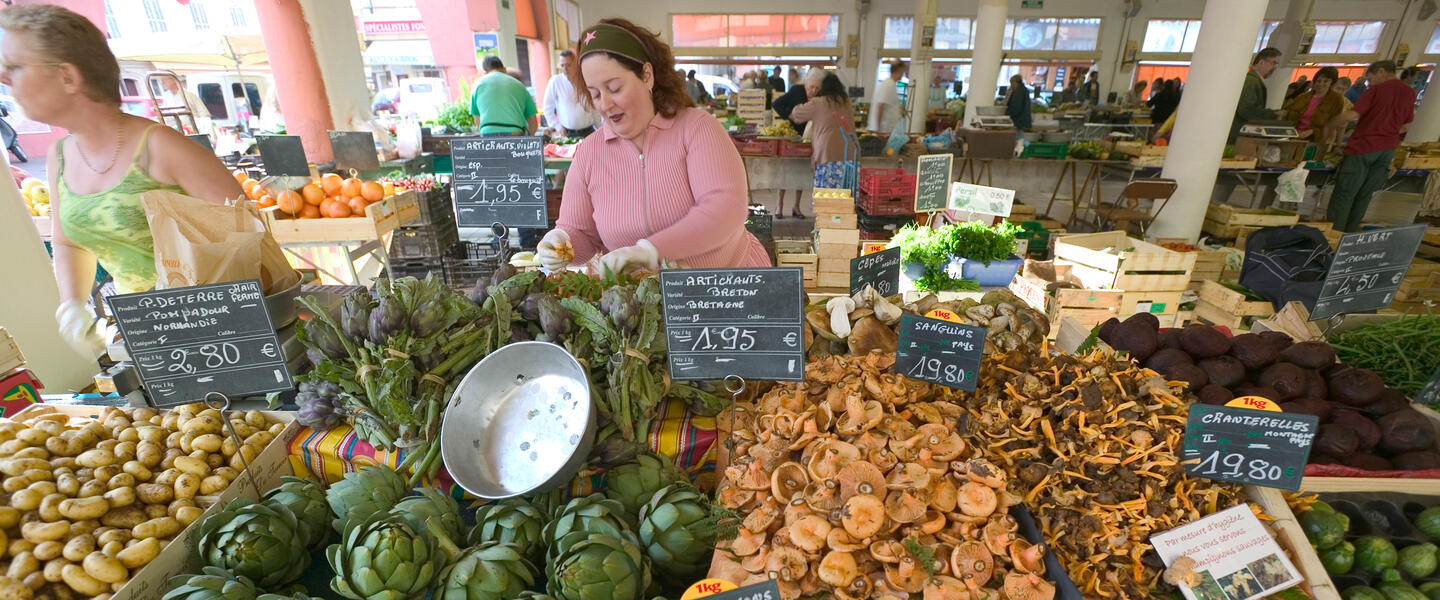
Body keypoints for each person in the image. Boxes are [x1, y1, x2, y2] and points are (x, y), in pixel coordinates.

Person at [0, 4, 248, 356]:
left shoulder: (161, 147)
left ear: (68, 77)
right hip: (143, 336)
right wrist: (72, 303)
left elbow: (247, 237)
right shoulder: (59, 157)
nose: (4, 78)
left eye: (15, 66)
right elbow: (70, 242)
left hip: (220, 336)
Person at [535, 18, 769, 272]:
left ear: (647, 75)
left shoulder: (697, 129)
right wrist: (561, 243)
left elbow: (725, 210)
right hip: (639, 307)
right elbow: (582, 234)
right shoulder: (590, 152)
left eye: (614, 88)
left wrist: (651, 250)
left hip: (722, 293)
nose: (604, 104)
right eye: (595, 94)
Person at [1326, 60, 1415, 232]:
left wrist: (1329, 125)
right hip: (1386, 151)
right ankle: (1348, 239)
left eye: (1370, 79)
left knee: (1345, 193)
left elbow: (1351, 115)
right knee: (1364, 195)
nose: (1369, 83)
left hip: (1363, 148)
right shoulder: (1409, 93)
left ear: (1381, 71)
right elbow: (1406, 125)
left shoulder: (1376, 91)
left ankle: (1332, 238)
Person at [791, 72, 857, 217]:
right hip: (851, 156)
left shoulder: (819, 102)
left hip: (828, 158)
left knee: (826, 202)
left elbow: (796, 114)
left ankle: (826, 229)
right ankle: (842, 228)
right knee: (845, 202)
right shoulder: (846, 103)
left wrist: (803, 95)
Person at [1281, 66, 1345, 154]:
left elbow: (1333, 124)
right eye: (1319, 81)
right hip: (1293, 138)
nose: (1321, 84)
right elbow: (1286, 114)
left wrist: (1312, 131)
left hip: (1315, 142)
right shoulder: (1303, 97)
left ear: (1331, 83)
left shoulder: (1336, 100)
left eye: (1325, 81)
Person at [469, 55, 538, 135]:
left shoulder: (476, 85)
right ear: (505, 70)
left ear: (484, 73)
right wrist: (529, 138)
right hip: (515, 132)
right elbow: (533, 122)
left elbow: (477, 122)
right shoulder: (519, 85)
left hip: (487, 133)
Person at [543, 49, 599, 138]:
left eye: (568, 65)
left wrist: (601, 129)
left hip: (590, 132)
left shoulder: (585, 79)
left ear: (576, 64)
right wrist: (557, 126)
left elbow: (594, 107)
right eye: (562, 65)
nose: (565, 69)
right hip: (568, 134)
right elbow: (547, 108)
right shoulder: (555, 81)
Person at [1230, 47, 1281, 143]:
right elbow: (1246, 110)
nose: (1275, 67)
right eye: (1273, 63)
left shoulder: (1253, 80)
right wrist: (1273, 114)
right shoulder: (1252, 82)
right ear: (1261, 62)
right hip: (1237, 135)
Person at [868, 61, 905, 133]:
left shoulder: (891, 84)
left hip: (887, 129)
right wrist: (878, 130)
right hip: (883, 130)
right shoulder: (888, 85)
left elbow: (887, 105)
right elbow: (880, 106)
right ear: (899, 71)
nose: (903, 74)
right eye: (902, 71)